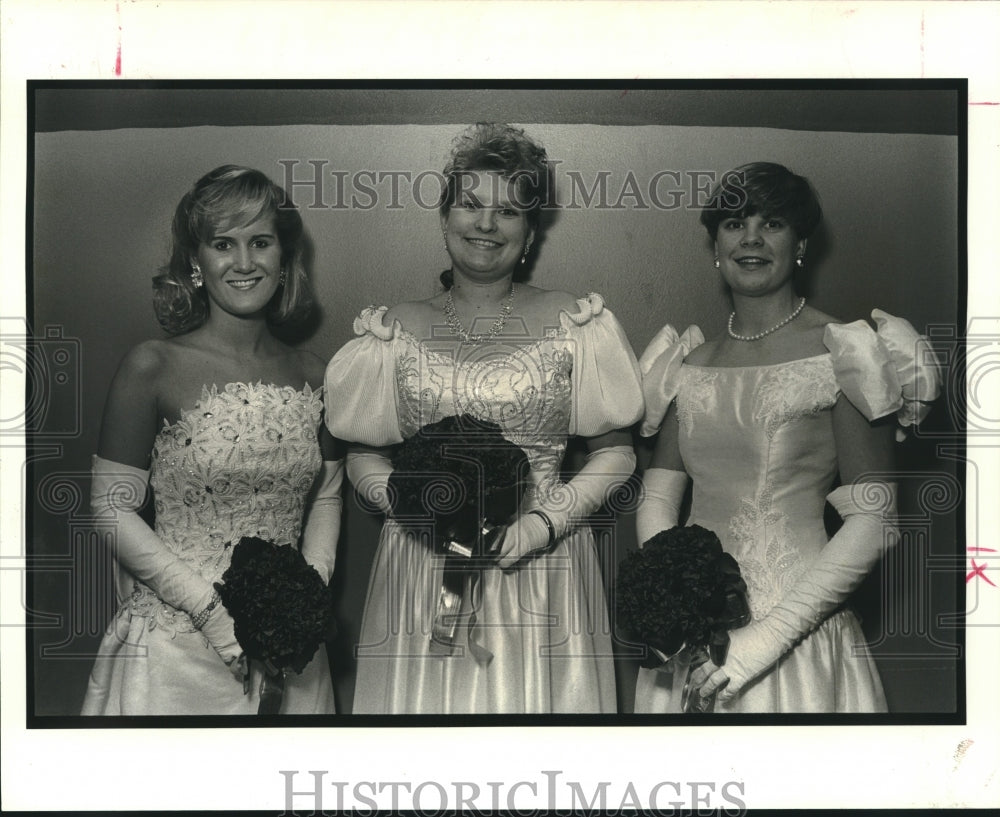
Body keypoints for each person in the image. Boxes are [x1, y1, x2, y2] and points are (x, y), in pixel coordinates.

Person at [325, 124, 643, 714]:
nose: (486, 224)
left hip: (542, 568)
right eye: (470, 204)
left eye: (509, 211)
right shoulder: (390, 328)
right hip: (421, 568)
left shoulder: (576, 322)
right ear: (445, 217)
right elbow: (362, 453)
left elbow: (617, 454)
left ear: (529, 232)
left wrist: (538, 527)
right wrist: (412, 504)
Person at [633, 162, 940, 713]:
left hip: (791, 635)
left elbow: (876, 519)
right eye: (733, 223)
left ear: (800, 243)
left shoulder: (839, 352)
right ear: (716, 245)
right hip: (691, 645)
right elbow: (658, 498)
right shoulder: (690, 362)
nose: (750, 238)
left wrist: (763, 641)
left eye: (771, 223)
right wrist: (675, 606)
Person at [82, 165, 341, 715]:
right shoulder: (153, 365)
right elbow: (110, 508)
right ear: (195, 261)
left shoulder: (318, 374)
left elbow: (327, 497)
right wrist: (211, 613)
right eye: (224, 244)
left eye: (260, 242)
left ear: (283, 257)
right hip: (178, 652)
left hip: (290, 657)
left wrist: (305, 604)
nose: (244, 263)